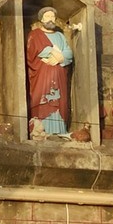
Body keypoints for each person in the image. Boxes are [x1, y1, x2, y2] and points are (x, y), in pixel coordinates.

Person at [26, 9, 73, 137]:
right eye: (47, 16)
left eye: (52, 16)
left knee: (59, 100)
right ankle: (41, 131)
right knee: (43, 99)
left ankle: (60, 131)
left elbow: (69, 53)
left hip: (59, 74)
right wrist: (52, 51)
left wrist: (60, 58)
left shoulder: (60, 36)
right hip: (42, 74)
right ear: (41, 19)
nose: (50, 19)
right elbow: (33, 51)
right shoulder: (35, 35)